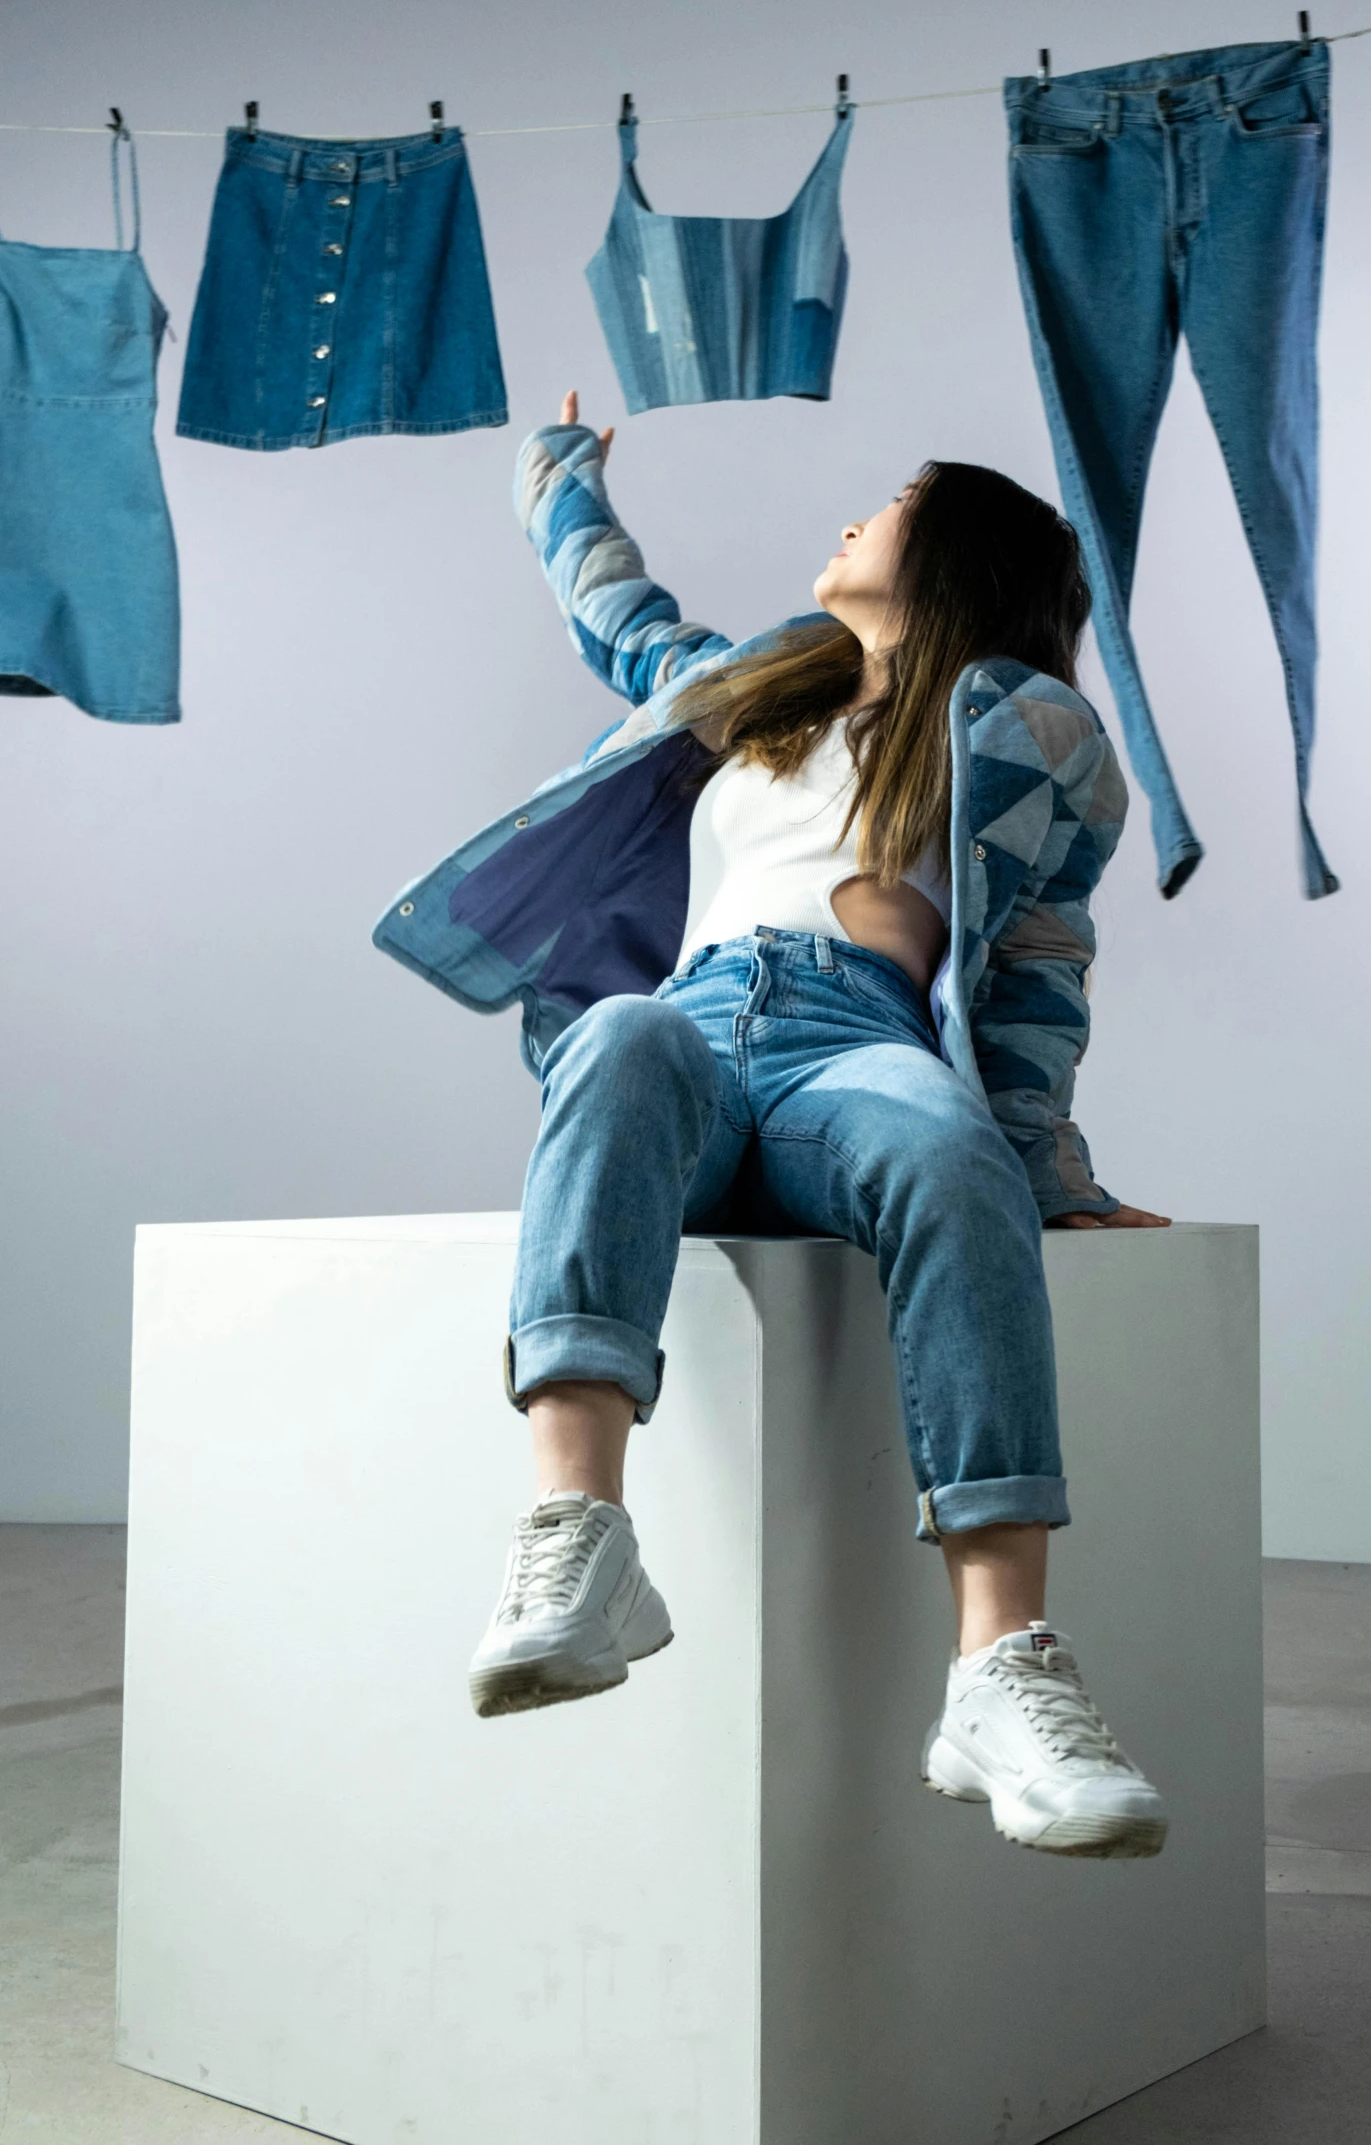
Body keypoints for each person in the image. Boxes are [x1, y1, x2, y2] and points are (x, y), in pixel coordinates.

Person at [407, 392, 1174, 1858]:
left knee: (948, 1146)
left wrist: (1047, 1160)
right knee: (615, 1029)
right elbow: (612, 609)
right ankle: (579, 1541)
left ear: (950, 553)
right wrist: (558, 471)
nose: (850, 518)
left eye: (888, 500)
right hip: (688, 1030)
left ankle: (997, 1669)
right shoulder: (750, 690)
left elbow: (1038, 960)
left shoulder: (1028, 724)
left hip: (854, 1043)